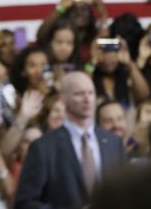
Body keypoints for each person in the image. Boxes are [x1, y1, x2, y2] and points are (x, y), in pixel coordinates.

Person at [15, 72, 126, 208]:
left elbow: (125, 194)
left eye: (91, 93)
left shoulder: (114, 143)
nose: (87, 99)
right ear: (63, 99)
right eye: (78, 94)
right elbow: (25, 203)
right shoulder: (43, 147)